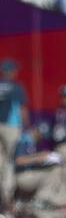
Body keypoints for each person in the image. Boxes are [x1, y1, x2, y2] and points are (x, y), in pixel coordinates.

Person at [0, 58, 28, 207]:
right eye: (14, 70)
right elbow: (21, 109)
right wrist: (27, 127)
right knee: (10, 163)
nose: (16, 72)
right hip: (11, 127)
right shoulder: (16, 87)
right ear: (9, 72)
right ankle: (7, 197)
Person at [14, 125, 63, 209]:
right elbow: (18, 160)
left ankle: (31, 200)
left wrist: (44, 159)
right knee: (54, 173)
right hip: (20, 177)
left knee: (55, 169)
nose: (41, 137)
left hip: (26, 174)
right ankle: (40, 200)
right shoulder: (24, 140)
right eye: (40, 134)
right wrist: (38, 157)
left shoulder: (32, 142)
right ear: (35, 131)